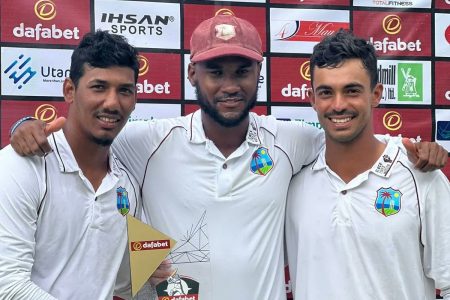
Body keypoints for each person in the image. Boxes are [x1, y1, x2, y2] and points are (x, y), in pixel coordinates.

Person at [8, 16, 448, 300]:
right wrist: (23, 126)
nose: (229, 84)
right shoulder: (146, 142)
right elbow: (87, 135)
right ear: (191, 73)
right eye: (215, 71)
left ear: (260, 73)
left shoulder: (292, 143)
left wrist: (419, 153)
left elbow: (351, 136)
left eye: (242, 70)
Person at [285, 30, 450, 299]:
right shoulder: (293, 181)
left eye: (351, 91)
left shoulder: (421, 177)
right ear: (312, 99)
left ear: (375, 94)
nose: (338, 105)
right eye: (326, 92)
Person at [0, 30, 142, 299]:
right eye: (99, 87)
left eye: (124, 90)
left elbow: (122, 280)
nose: (112, 103)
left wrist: (164, 275)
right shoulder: (20, 165)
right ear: (69, 90)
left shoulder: (126, 184)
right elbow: (7, 287)